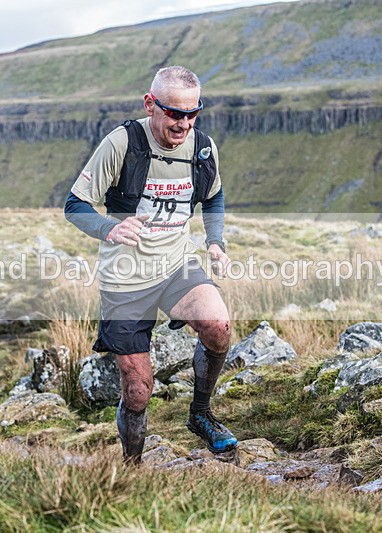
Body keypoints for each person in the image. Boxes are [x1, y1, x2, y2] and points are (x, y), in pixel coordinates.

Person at [64, 66, 236, 463]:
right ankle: (133, 467)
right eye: (174, 113)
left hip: (176, 266)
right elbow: (75, 205)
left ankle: (201, 415)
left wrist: (215, 242)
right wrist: (108, 228)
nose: (184, 123)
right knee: (139, 389)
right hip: (125, 278)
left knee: (218, 327)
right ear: (149, 103)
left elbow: (213, 197)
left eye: (193, 113)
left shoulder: (203, 147)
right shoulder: (122, 143)